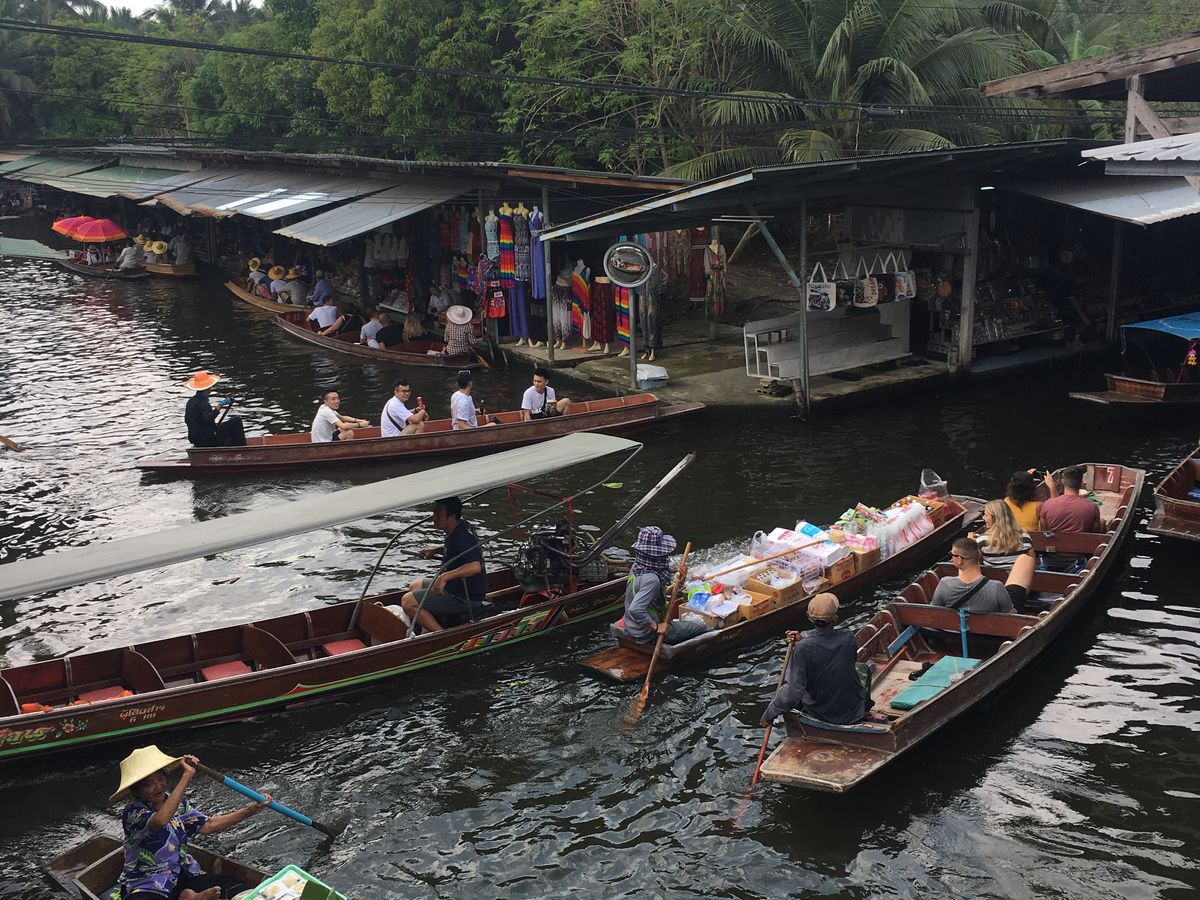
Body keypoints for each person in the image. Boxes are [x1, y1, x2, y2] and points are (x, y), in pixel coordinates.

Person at [112, 745, 271, 900]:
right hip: (148, 881)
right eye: (148, 784)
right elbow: (160, 820)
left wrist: (251, 810)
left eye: (160, 778)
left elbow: (208, 825)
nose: (158, 786)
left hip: (183, 874)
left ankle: (188, 896)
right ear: (137, 791)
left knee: (230, 884)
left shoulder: (178, 805)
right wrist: (186, 776)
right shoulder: (133, 812)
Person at [759, 593, 867, 727]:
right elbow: (838, 654)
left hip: (822, 715)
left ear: (809, 616)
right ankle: (865, 706)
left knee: (794, 693)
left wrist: (770, 713)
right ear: (835, 617)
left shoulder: (803, 648)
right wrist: (803, 641)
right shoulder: (848, 637)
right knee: (862, 669)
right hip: (853, 710)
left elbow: (792, 691)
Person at [399, 496, 488, 632]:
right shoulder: (457, 528)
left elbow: (475, 567)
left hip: (463, 597)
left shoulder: (462, 537)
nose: (434, 519)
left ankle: (440, 635)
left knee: (407, 602)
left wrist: (444, 577)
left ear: (452, 516)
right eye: (434, 514)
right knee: (414, 586)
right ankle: (425, 624)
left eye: (439, 515)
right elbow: (459, 550)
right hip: (454, 587)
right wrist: (435, 550)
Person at [621, 526, 708, 646]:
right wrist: (656, 627)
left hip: (632, 625)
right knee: (701, 626)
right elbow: (635, 609)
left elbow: (654, 594)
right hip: (646, 632)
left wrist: (679, 582)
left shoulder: (637, 567)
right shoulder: (652, 580)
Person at [931, 537, 1035, 613]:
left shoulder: (945, 584)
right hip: (991, 631)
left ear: (959, 560)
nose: (951, 558)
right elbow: (1011, 616)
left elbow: (934, 611)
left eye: (952, 555)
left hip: (956, 631)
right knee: (1025, 559)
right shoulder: (996, 587)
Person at [183, 371, 245, 448]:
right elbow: (209, 418)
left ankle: (232, 446)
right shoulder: (203, 403)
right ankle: (242, 449)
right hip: (207, 440)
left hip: (196, 440)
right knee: (236, 421)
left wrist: (212, 427)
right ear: (207, 387)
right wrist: (220, 405)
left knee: (223, 427)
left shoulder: (191, 401)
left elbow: (193, 421)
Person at [1039, 465, 1102, 533]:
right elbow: (1095, 532)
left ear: (1062, 481)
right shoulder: (1092, 507)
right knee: (1102, 522)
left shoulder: (1047, 505)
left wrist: (1052, 488)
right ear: (1081, 484)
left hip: (1055, 540)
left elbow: (1044, 530)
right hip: (1082, 540)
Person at [973, 499, 1032, 567]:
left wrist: (971, 544)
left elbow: (977, 563)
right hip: (1019, 573)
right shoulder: (1025, 537)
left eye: (986, 515)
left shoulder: (982, 541)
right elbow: (1031, 559)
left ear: (994, 518)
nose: (983, 518)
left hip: (992, 574)